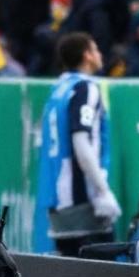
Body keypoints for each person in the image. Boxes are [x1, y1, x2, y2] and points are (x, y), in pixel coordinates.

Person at [36, 32, 121, 256]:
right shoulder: (85, 88)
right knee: (101, 274)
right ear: (87, 55)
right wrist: (103, 191)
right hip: (83, 201)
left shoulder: (58, 90)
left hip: (56, 200)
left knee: (69, 273)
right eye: (96, 49)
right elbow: (81, 142)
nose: (100, 54)